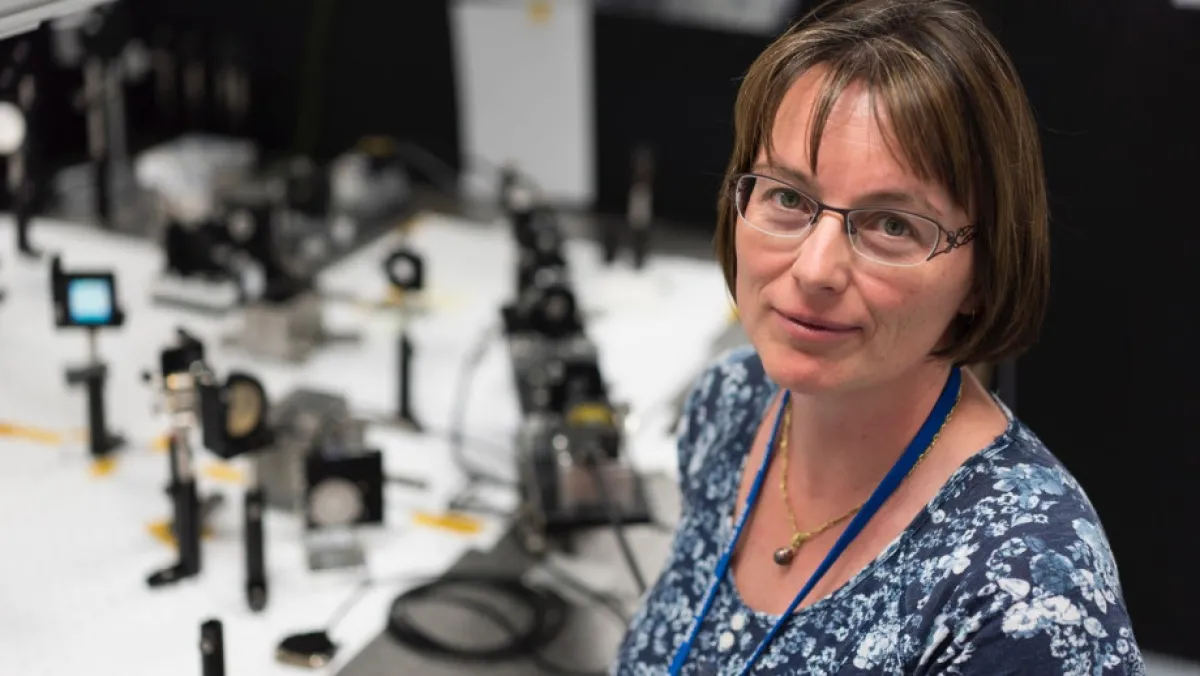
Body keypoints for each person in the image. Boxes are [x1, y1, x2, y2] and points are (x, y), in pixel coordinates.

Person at [612, 0, 1144, 674]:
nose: (815, 269)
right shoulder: (730, 404)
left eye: (892, 225)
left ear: (982, 274)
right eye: (787, 198)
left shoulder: (1026, 596)